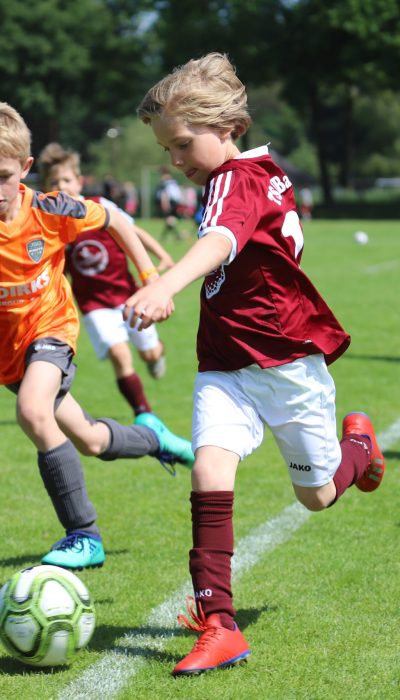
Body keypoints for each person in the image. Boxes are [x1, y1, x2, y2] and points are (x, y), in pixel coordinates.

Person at [125, 53, 386, 676]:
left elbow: (220, 243)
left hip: (285, 360)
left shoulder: (239, 182)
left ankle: (359, 449)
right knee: (210, 470)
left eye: (183, 144)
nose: (176, 161)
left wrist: (166, 284)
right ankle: (218, 625)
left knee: (317, 494)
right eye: (167, 150)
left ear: (226, 126)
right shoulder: (253, 172)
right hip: (224, 361)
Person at [0, 102, 194, 571]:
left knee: (32, 410)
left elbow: (117, 221)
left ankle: (83, 535)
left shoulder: (49, 209)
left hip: (50, 332)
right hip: (8, 354)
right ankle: (155, 440)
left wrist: (149, 275)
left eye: (2, 175)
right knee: (88, 439)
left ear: (25, 170)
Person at [38, 144, 174, 418]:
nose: (61, 186)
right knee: (120, 355)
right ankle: (144, 414)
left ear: (79, 181)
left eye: (66, 180)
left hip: (128, 295)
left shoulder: (100, 207)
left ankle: (156, 355)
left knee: (149, 353)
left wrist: (162, 256)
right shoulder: (49, 222)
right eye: (54, 182)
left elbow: (132, 232)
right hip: (94, 305)